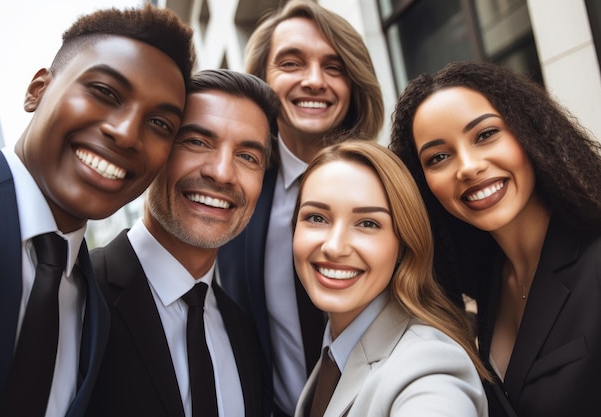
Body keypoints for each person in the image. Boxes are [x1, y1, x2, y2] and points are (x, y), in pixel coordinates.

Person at [0, 5, 194, 417]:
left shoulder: (96, 306)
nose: (127, 133)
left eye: (160, 124)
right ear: (37, 89)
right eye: (105, 92)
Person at [389, 60, 601, 417]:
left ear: (528, 130)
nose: (468, 166)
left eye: (485, 135)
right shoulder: (487, 282)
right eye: (439, 157)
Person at [217, 2, 384, 415]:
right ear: (263, 81)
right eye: (291, 63)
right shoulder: (234, 197)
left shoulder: (394, 190)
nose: (314, 81)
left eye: (334, 66)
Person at [86, 69, 280, 417]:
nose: (221, 172)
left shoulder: (244, 331)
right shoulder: (77, 297)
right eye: (197, 141)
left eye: (248, 156)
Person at [291, 140, 489, 416]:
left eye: (368, 223)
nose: (334, 247)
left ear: (403, 245)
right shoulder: (336, 347)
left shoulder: (429, 366)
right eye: (316, 217)